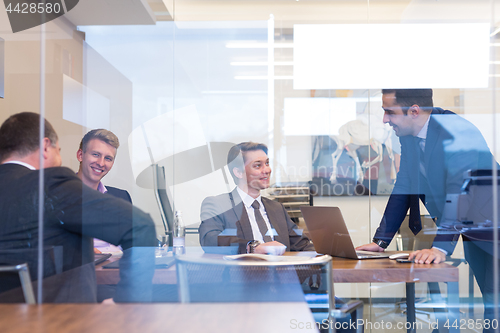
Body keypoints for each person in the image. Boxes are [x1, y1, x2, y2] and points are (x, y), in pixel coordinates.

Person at [356, 89, 497, 330]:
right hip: (474, 229)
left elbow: (460, 190)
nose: (385, 120)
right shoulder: (409, 135)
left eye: (389, 112)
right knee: (491, 300)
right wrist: (381, 240)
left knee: (495, 303)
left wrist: (441, 247)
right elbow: (405, 184)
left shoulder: (457, 132)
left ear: (414, 111)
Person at [0, 112, 157, 303]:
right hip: (59, 320)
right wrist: (125, 305)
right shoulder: (52, 185)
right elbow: (140, 226)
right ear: (45, 147)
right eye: (58, 150)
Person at [199, 142, 314, 254]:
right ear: (239, 172)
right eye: (258, 165)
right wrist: (254, 248)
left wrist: (327, 250)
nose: (267, 170)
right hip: (242, 272)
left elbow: (302, 245)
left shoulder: (276, 208)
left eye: (267, 163)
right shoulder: (218, 205)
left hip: (281, 271)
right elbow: (210, 240)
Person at [76, 129, 131, 254]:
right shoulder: (58, 196)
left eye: (108, 158)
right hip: (85, 268)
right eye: (95, 154)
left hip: (120, 268)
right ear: (80, 155)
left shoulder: (121, 197)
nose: (101, 163)